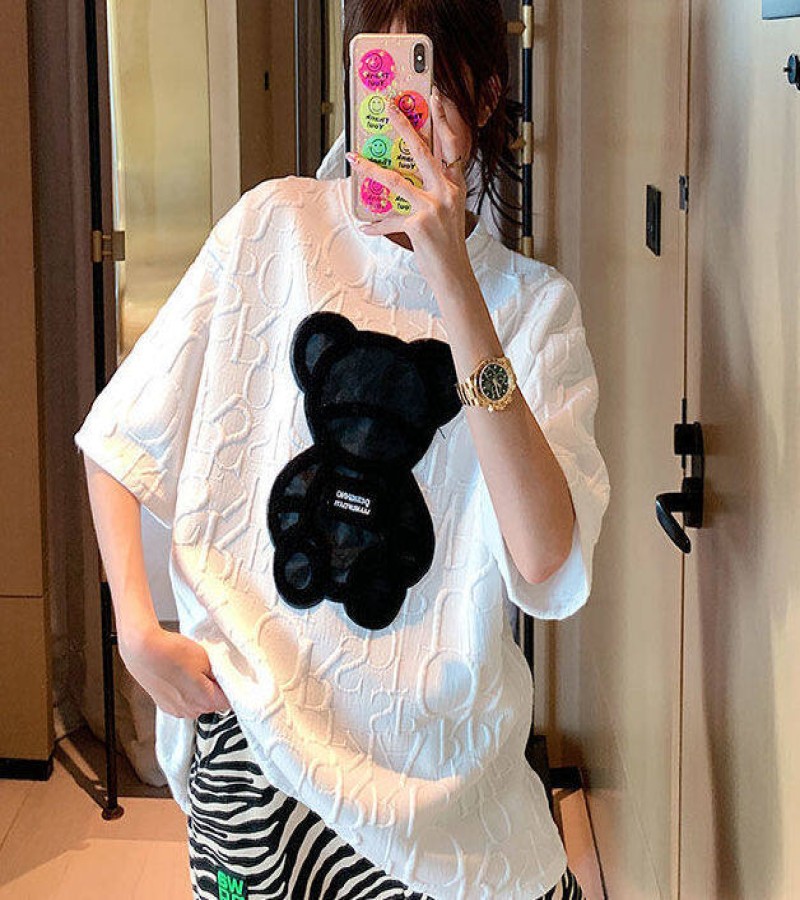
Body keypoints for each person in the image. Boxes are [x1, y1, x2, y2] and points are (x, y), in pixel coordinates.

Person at [75, 1, 610, 897]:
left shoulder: (534, 308)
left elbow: (546, 560)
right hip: (258, 765)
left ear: (484, 96)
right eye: (382, 80)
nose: (402, 120)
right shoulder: (272, 227)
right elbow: (120, 431)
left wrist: (452, 278)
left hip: (448, 796)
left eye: (428, 83)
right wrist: (135, 628)